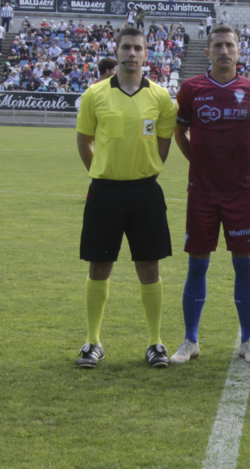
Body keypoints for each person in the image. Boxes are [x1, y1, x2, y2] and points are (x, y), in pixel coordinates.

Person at [74, 25, 178, 369]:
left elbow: (163, 144)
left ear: (146, 54)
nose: (132, 54)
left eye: (138, 48)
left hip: (145, 191)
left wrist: (146, 169)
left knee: (149, 267)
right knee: (99, 266)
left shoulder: (161, 98)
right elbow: (84, 141)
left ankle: (155, 342)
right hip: (105, 191)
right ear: (116, 52)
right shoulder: (95, 95)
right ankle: (92, 341)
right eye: (126, 48)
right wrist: (101, 171)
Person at [169, 25, 250, 365]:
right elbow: (179, 132)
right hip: (202, 193)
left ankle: (247, 341)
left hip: (239, 193)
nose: (224, 50)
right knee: (197, 265)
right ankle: (190, 341)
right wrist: (197, 162)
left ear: (239, 51)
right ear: (208, 51)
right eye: (218, 45)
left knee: (244, 265)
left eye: (230, 45)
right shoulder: (191, 89)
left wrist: (243, 163)